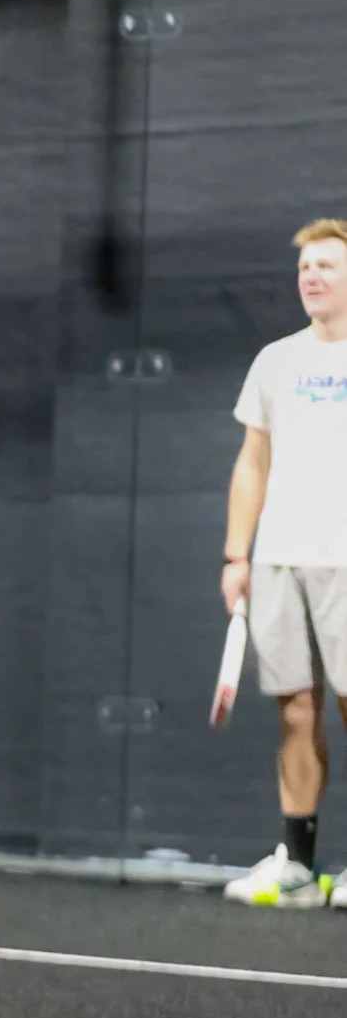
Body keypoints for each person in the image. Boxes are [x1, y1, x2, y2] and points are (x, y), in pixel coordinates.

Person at [222, 217, 347, 908]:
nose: (311, 276)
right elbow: (252, 462)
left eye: (326, 265)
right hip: (277, 561)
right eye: (304, 267)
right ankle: (298, 867)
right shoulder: (275, 361)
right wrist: (236, 553)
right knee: (295, 713)